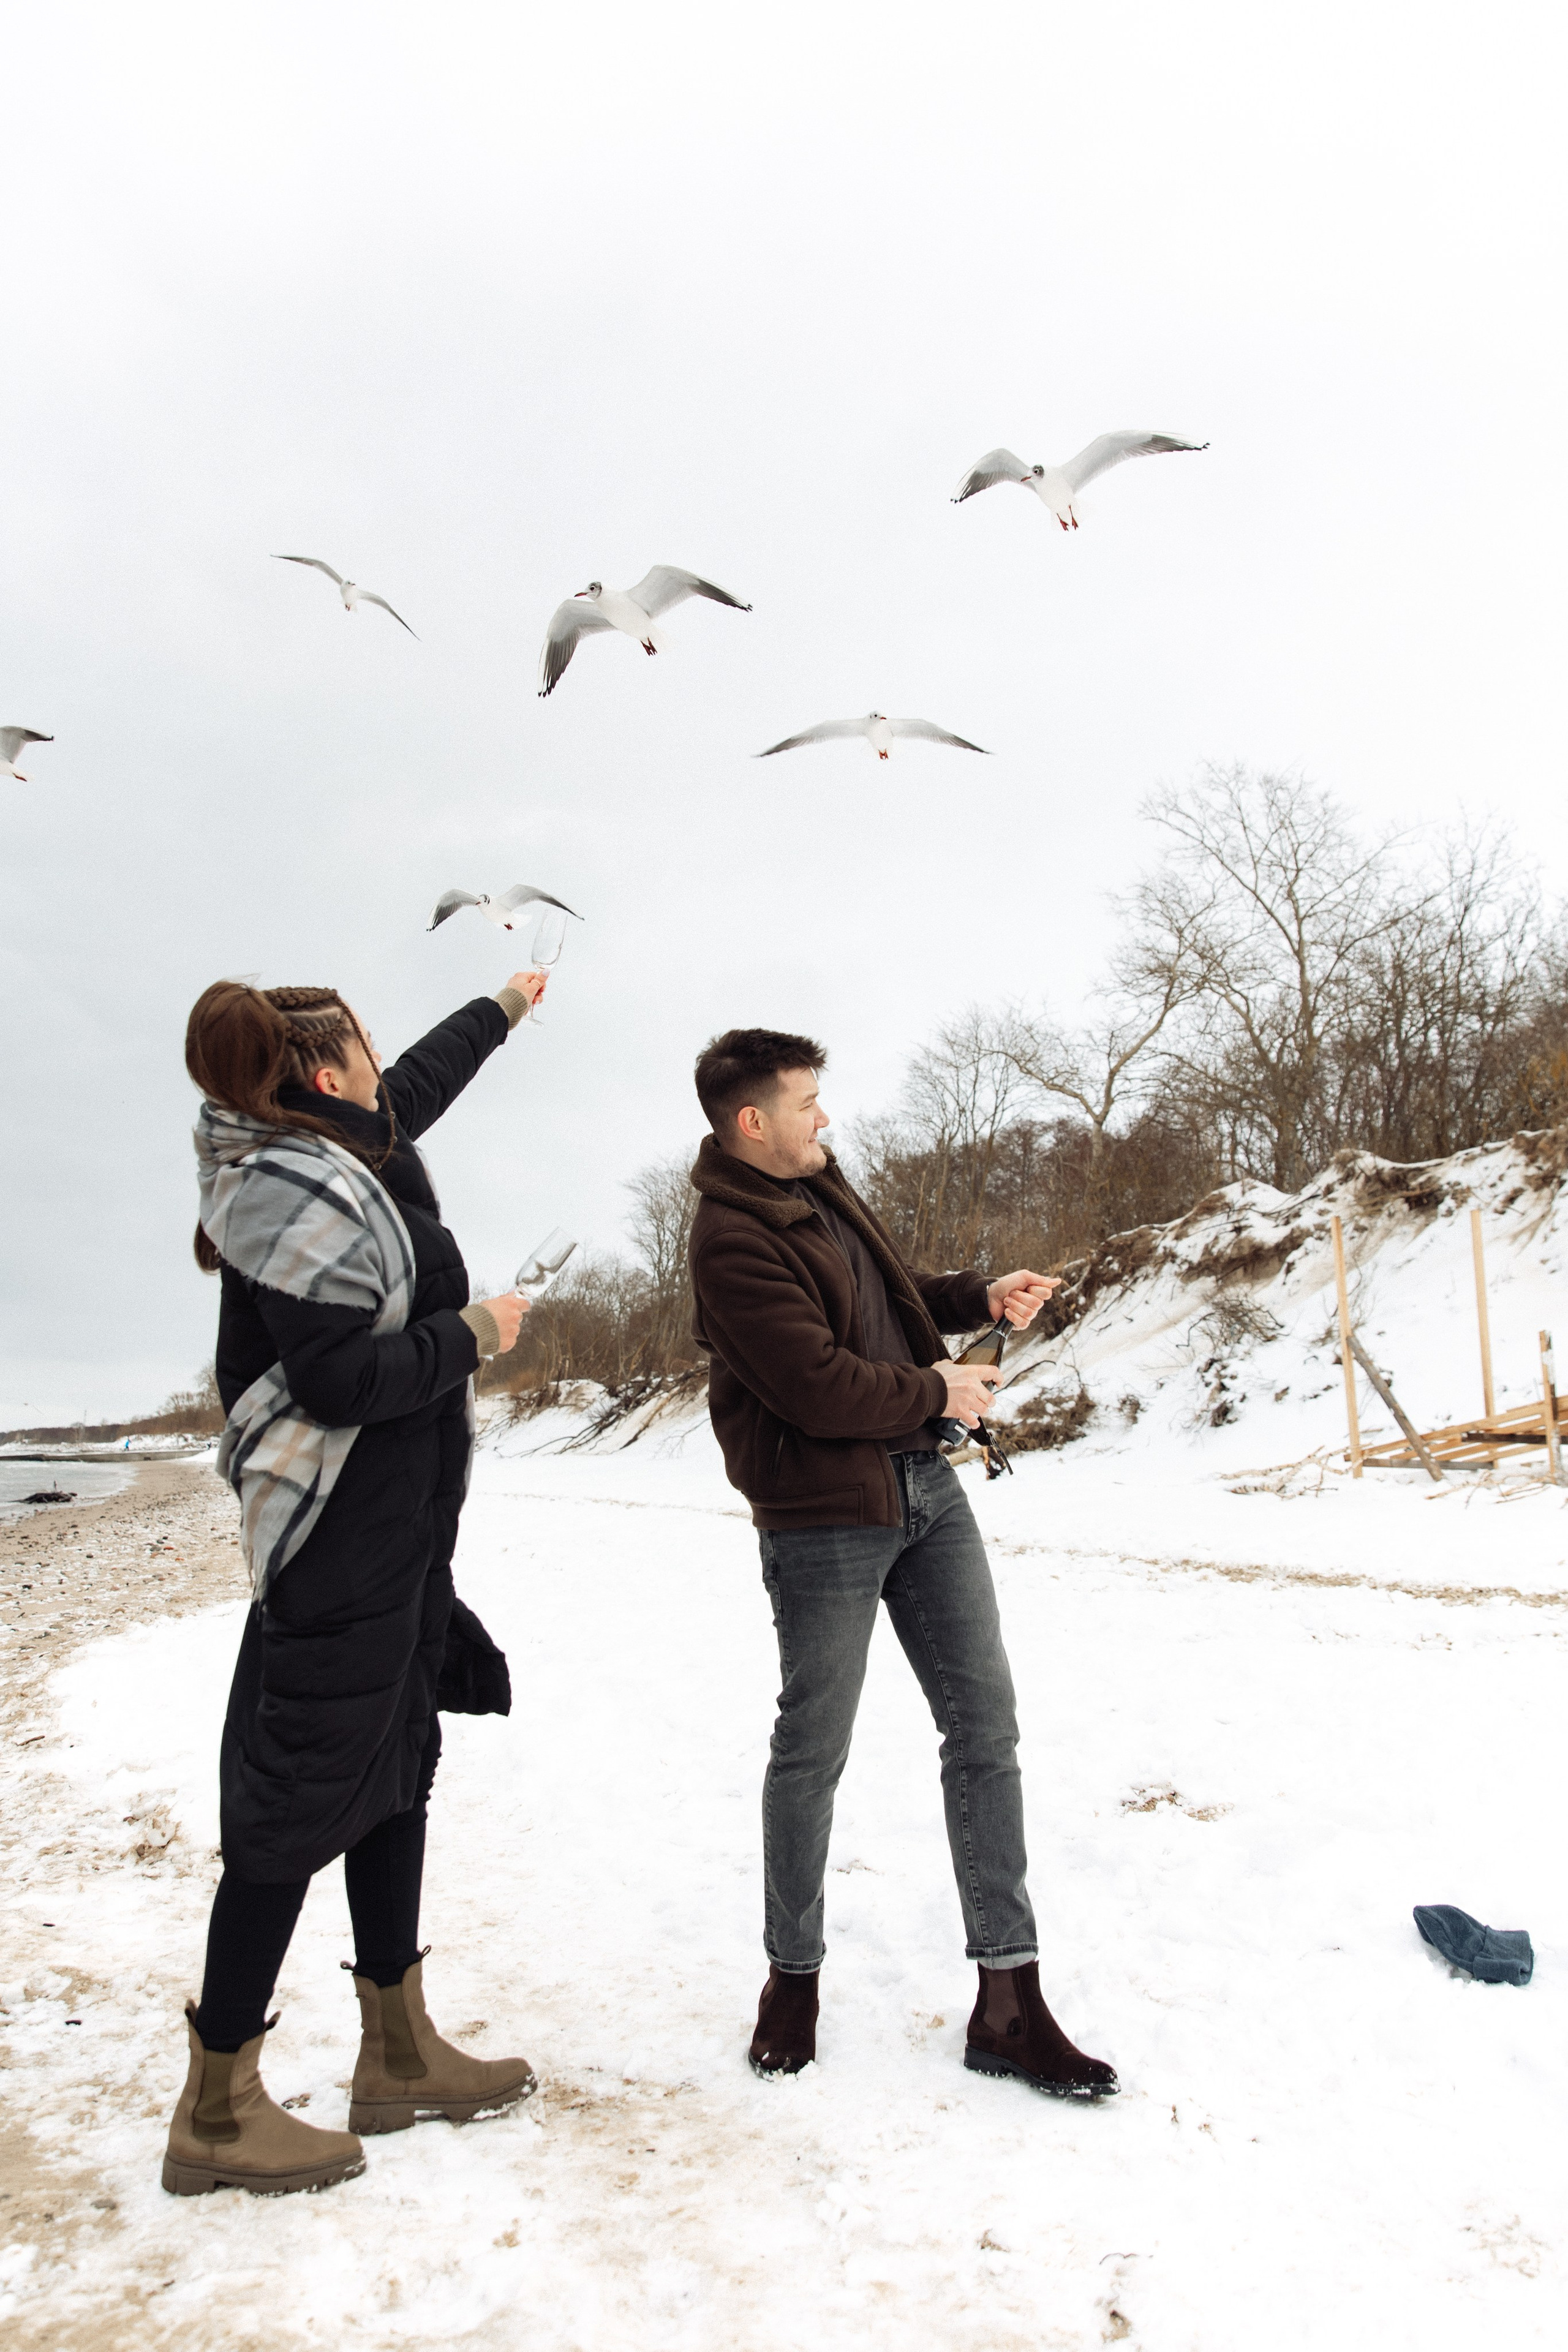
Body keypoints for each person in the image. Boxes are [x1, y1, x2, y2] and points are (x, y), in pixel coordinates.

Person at [687, 1027, 1117, 2101]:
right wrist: (940, 1393)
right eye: (807, 1101)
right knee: (814, 1749)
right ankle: (793, 1980)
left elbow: (883, 1307)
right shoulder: (727, 1240)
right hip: (823, 1516)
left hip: (926, 1491)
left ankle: (1009, 2002)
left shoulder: (822, 1188)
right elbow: (815, 1382)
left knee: (986, 1729)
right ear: (753, 1122)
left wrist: (975, 1299)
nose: (824, 1116)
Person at [164, 974, 541, 2198]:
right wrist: (475, 1335)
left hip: (394, 1532)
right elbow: (337, 1383)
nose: (387, 1066)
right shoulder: (292, 1191)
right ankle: (216, 2114)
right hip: (338, 1542)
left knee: (390, 1774)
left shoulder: (336, 1152)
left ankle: (398, 2053)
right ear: (326, 1075)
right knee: (292, 1806)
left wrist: (499, 1009)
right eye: (367, 1049)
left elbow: (413, 1086)